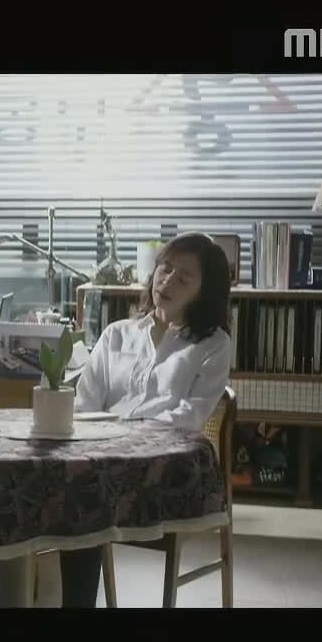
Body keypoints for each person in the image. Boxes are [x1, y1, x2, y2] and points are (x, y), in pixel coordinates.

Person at [61, 231, 234, 607]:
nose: (167, 281)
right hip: (98, 455)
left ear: (205, 291)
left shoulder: (214, 345)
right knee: (27, 480)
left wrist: (123, 434)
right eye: (165, 269)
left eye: (184, 278)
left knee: (80, 493)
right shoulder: (116, 334)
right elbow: (85, 403)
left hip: (160, 468)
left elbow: (189, 416)